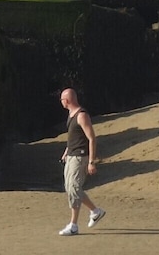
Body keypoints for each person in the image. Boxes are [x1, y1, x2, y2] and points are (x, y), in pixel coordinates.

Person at [56, 88, 107, 236]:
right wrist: (66, 152)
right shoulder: (71, 115)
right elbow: (74, 137)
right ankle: (95, 211)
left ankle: (73, 225)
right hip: (71, 156)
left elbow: (91, 138)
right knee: (71, 188)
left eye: (61, 99)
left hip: (80, 157)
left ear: (67, 100)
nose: (61, 102)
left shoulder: (81, 115)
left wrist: (91, 161)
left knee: (74, 188)